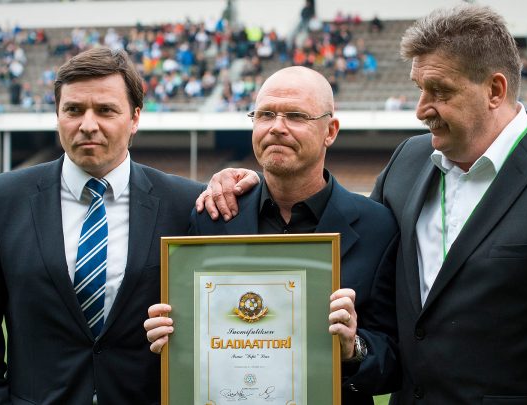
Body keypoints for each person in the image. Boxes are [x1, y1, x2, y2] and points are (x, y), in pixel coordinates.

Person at [195, 4, 527, 404]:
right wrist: (257, 179)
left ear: (495, 90)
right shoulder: (408, 161)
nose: (421, 108)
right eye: (418, 88)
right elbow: (347, 227)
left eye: (439, 91)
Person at [0, 47, 205, 404]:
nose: (88, 124)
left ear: (134, 118)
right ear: (58, 115)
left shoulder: (187, 204)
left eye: (105, 110)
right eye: (73, 110)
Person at [144, 66, 400, 405]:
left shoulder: (377, 227)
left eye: (295, 116)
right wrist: (172, 334)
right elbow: (196, 337)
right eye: (265, 114)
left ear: (331, 130)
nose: (277, 128)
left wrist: (354, 348)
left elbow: (395, 357)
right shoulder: (214, 216)